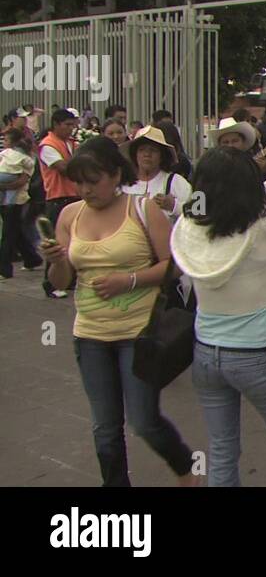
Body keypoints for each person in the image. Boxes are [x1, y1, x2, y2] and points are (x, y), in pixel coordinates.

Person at [170, 78, 266, 487]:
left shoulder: (187, 226)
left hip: (205, 353)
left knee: (221, 450)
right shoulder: (262, 222)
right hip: (256, 354)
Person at [38, 136, 197, 486]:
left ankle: (185, 468)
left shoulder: (142, 209)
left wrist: (130, 280)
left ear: (115, 175)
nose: (85, 189)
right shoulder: (69, 215)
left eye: (93, 181)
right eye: (78, 182)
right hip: (90, 335)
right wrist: (57, 262)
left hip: (138, 333)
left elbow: (174, 265)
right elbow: (63, 280)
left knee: (143, 420)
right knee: (105, 428)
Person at [39, 108, 82, 298]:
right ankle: (51, 284)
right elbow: (63, 168)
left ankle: (69, 280)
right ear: (56, 124)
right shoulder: (47, 145)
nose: (71, 129)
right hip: (57, 199)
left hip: (73, 197)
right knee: (56, 243)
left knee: (72, 241)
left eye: (73, 125)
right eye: (67, 125)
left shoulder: (69, 143)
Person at [120, 126, 193, 225]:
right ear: (135, 155)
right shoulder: (124, 183)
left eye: (153, 150)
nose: (147, 154)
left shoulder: (175, 181)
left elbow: (199, 213)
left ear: (162, 156)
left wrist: (174, 206)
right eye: (142, 150)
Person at [0, 128, 43, 278]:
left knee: (8, 234)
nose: (4, 143)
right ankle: (32, 258)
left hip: (16, 201)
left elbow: (21, 182)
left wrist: (3, 185)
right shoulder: (6, 157)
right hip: (5, 200)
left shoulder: (25, 159)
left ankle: (4, 269)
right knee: (15, 231)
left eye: (6, 140)